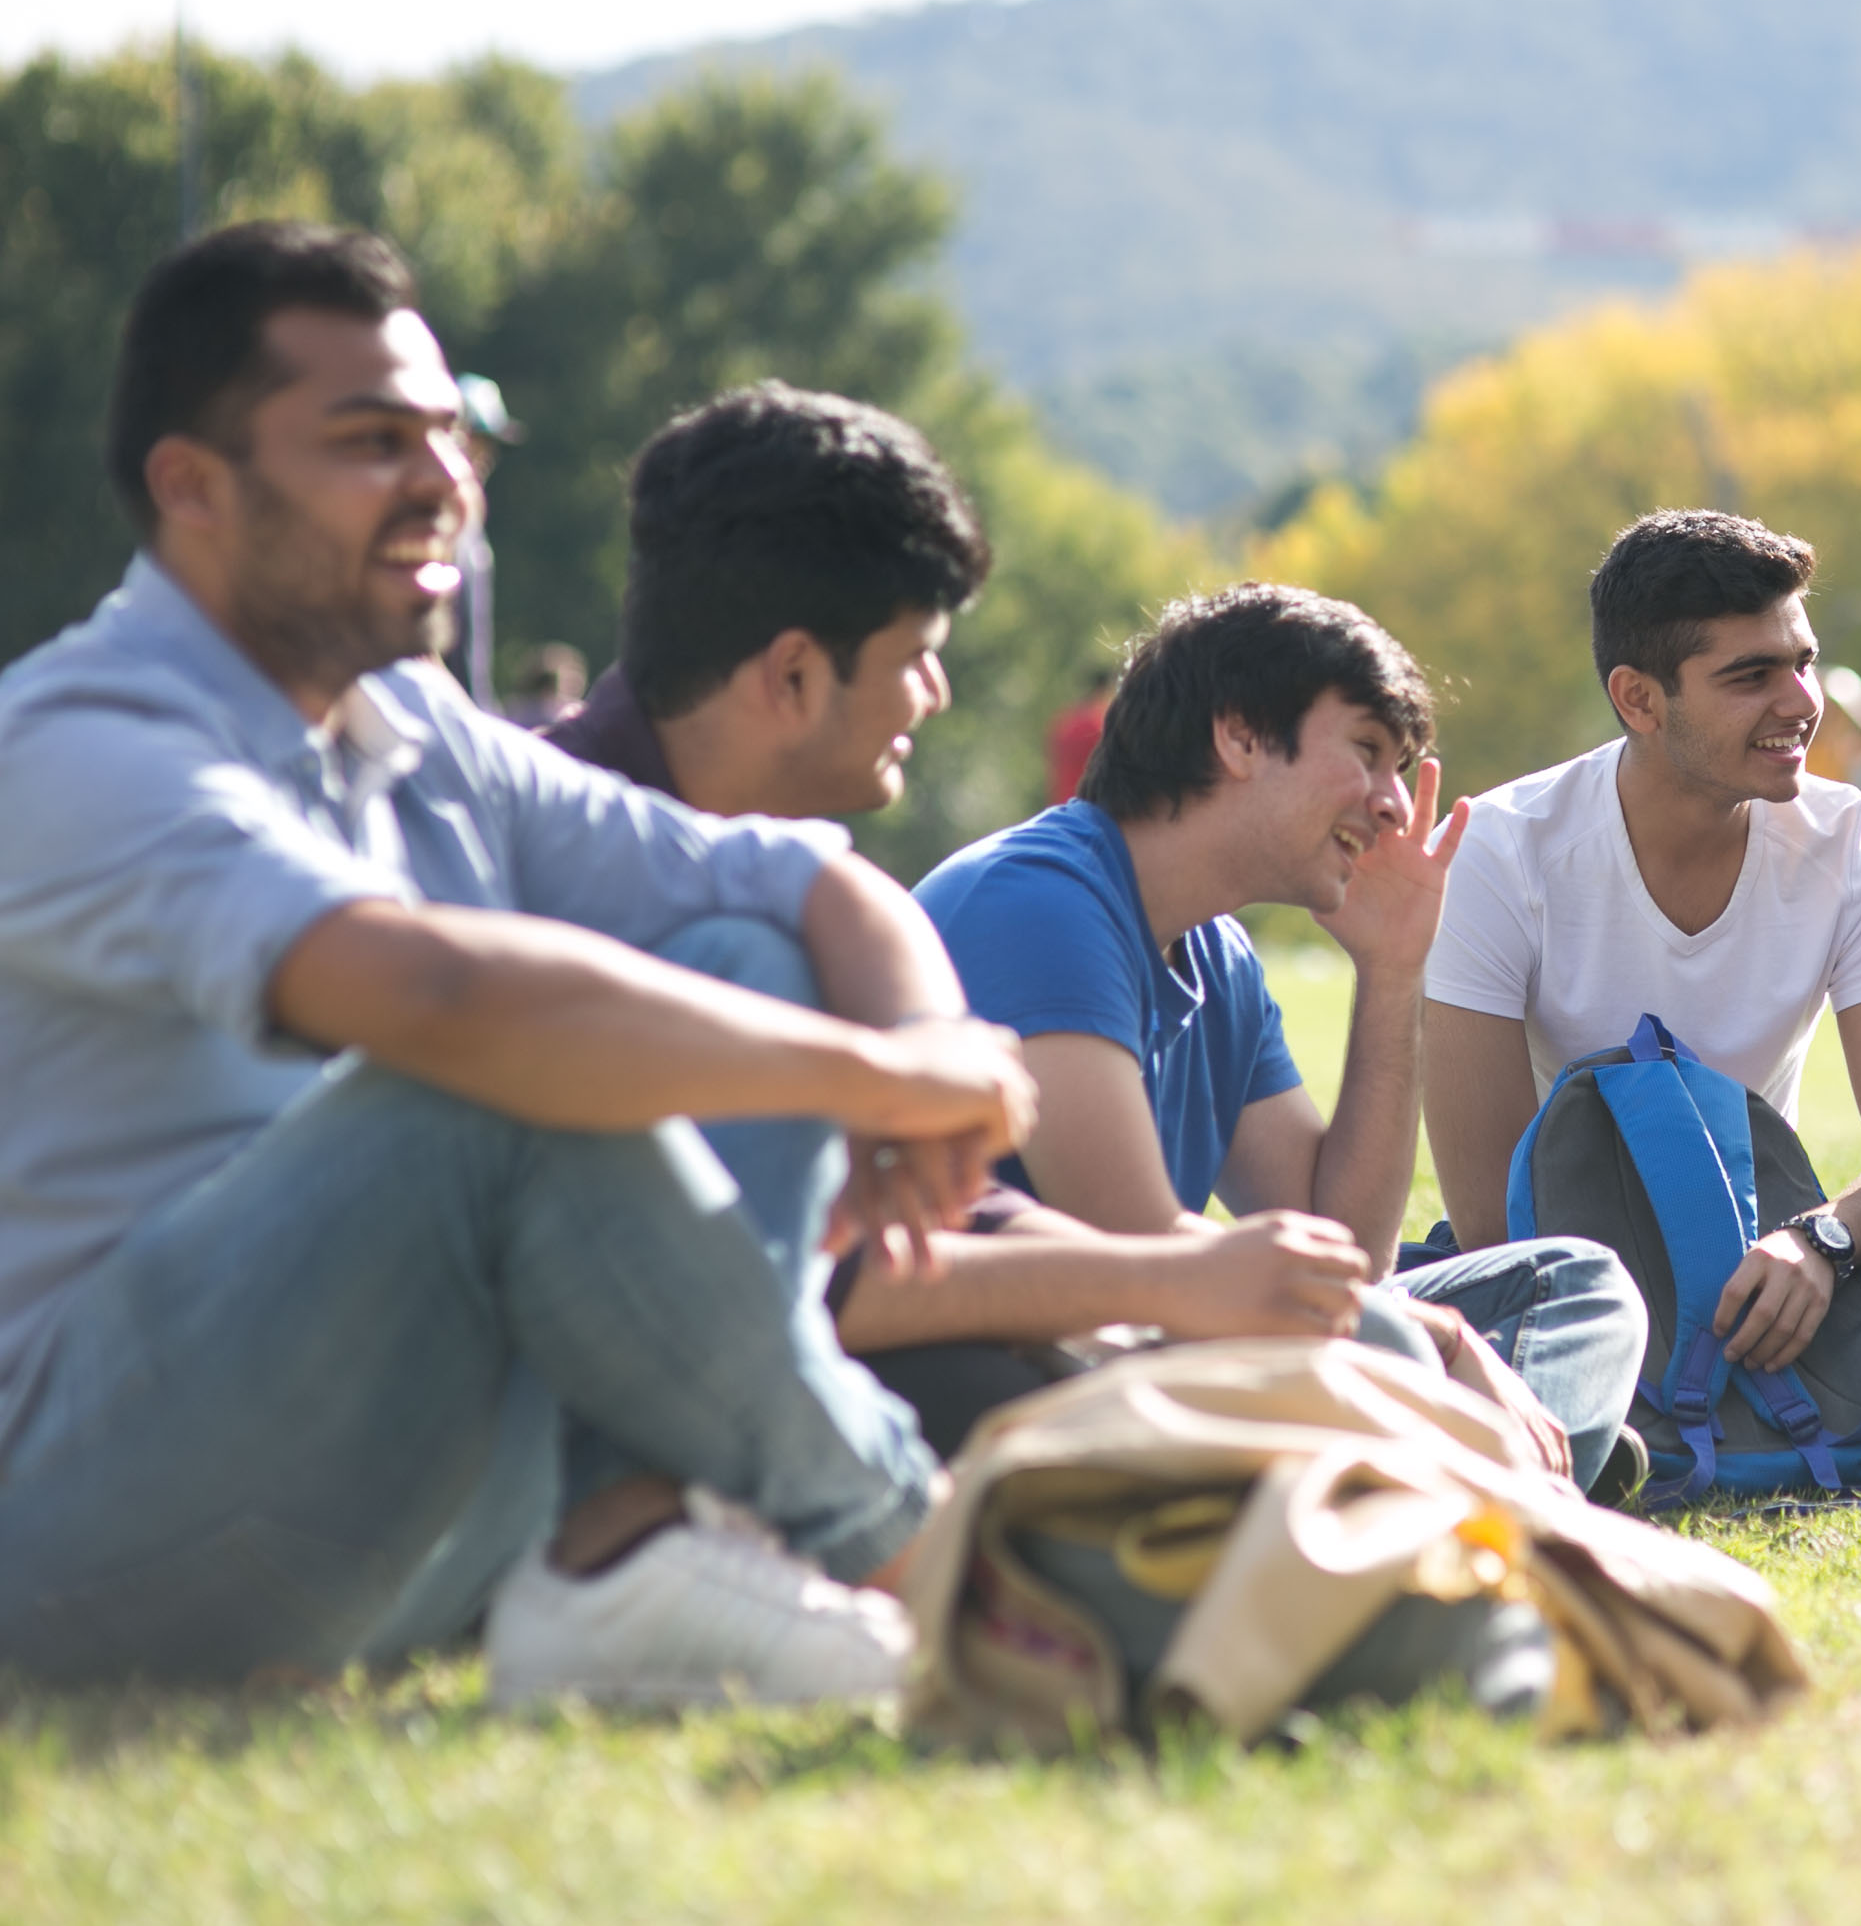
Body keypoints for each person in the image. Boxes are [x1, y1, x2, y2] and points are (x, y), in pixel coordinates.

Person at [0, 223, 1036, 1697]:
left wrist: (923, 1075)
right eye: (372, 441)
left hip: (393, 1503)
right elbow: (437, 1000)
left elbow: (807, 882)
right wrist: (874, 1071)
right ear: (195, 488)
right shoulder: (76, 744)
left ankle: (620, 1557)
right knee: (482, 1088)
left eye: (448, 432)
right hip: (99, 1535)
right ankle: (937, 1567)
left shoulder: (407, 724)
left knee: (740, 947)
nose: (442, 483)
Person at [549, 384, 1456, 1457]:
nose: (932, 694)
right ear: (794, 671)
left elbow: (1318, 1245)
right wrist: (1221, 1301)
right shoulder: (554, 839)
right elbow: (825, 1271)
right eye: (914, 654)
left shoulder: (792, 882)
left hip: (914, 1315)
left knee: (1529, 1294)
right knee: (1339, 1358)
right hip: (614, 1398)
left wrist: (1392, 975)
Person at [913, 583, 1653, 1495]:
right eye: (1369, 753)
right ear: (1240, 736)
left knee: (1575, 1283)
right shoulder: (1040, 903)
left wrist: (1392, 971)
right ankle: (1494, 1469)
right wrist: (1440, 1336)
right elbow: (1143, 1260)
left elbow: (1343, 1241)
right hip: (1032, 1351)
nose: (1392, 805)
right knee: (1389, 1333)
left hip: (1172, 1334)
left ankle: (1455, 1461)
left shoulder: (1216, 949)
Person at [1420, 509, 1861, 1488]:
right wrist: (1637, 1310)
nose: (1800, 704)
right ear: (1639, 700)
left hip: (1770, 1253)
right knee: (1398, 1300)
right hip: (1571, 1257)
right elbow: (1490, 1216)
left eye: (1801, 663)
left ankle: (1612, 1432)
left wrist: (1817, 1242)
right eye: (1750, 676)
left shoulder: (1859, 848)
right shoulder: (1502, 849)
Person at [1046, 664, 1118, 807]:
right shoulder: (1100, 723)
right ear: (1106, 690)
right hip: (1092, 806)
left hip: (1062, 804)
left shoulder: (1065, 721)